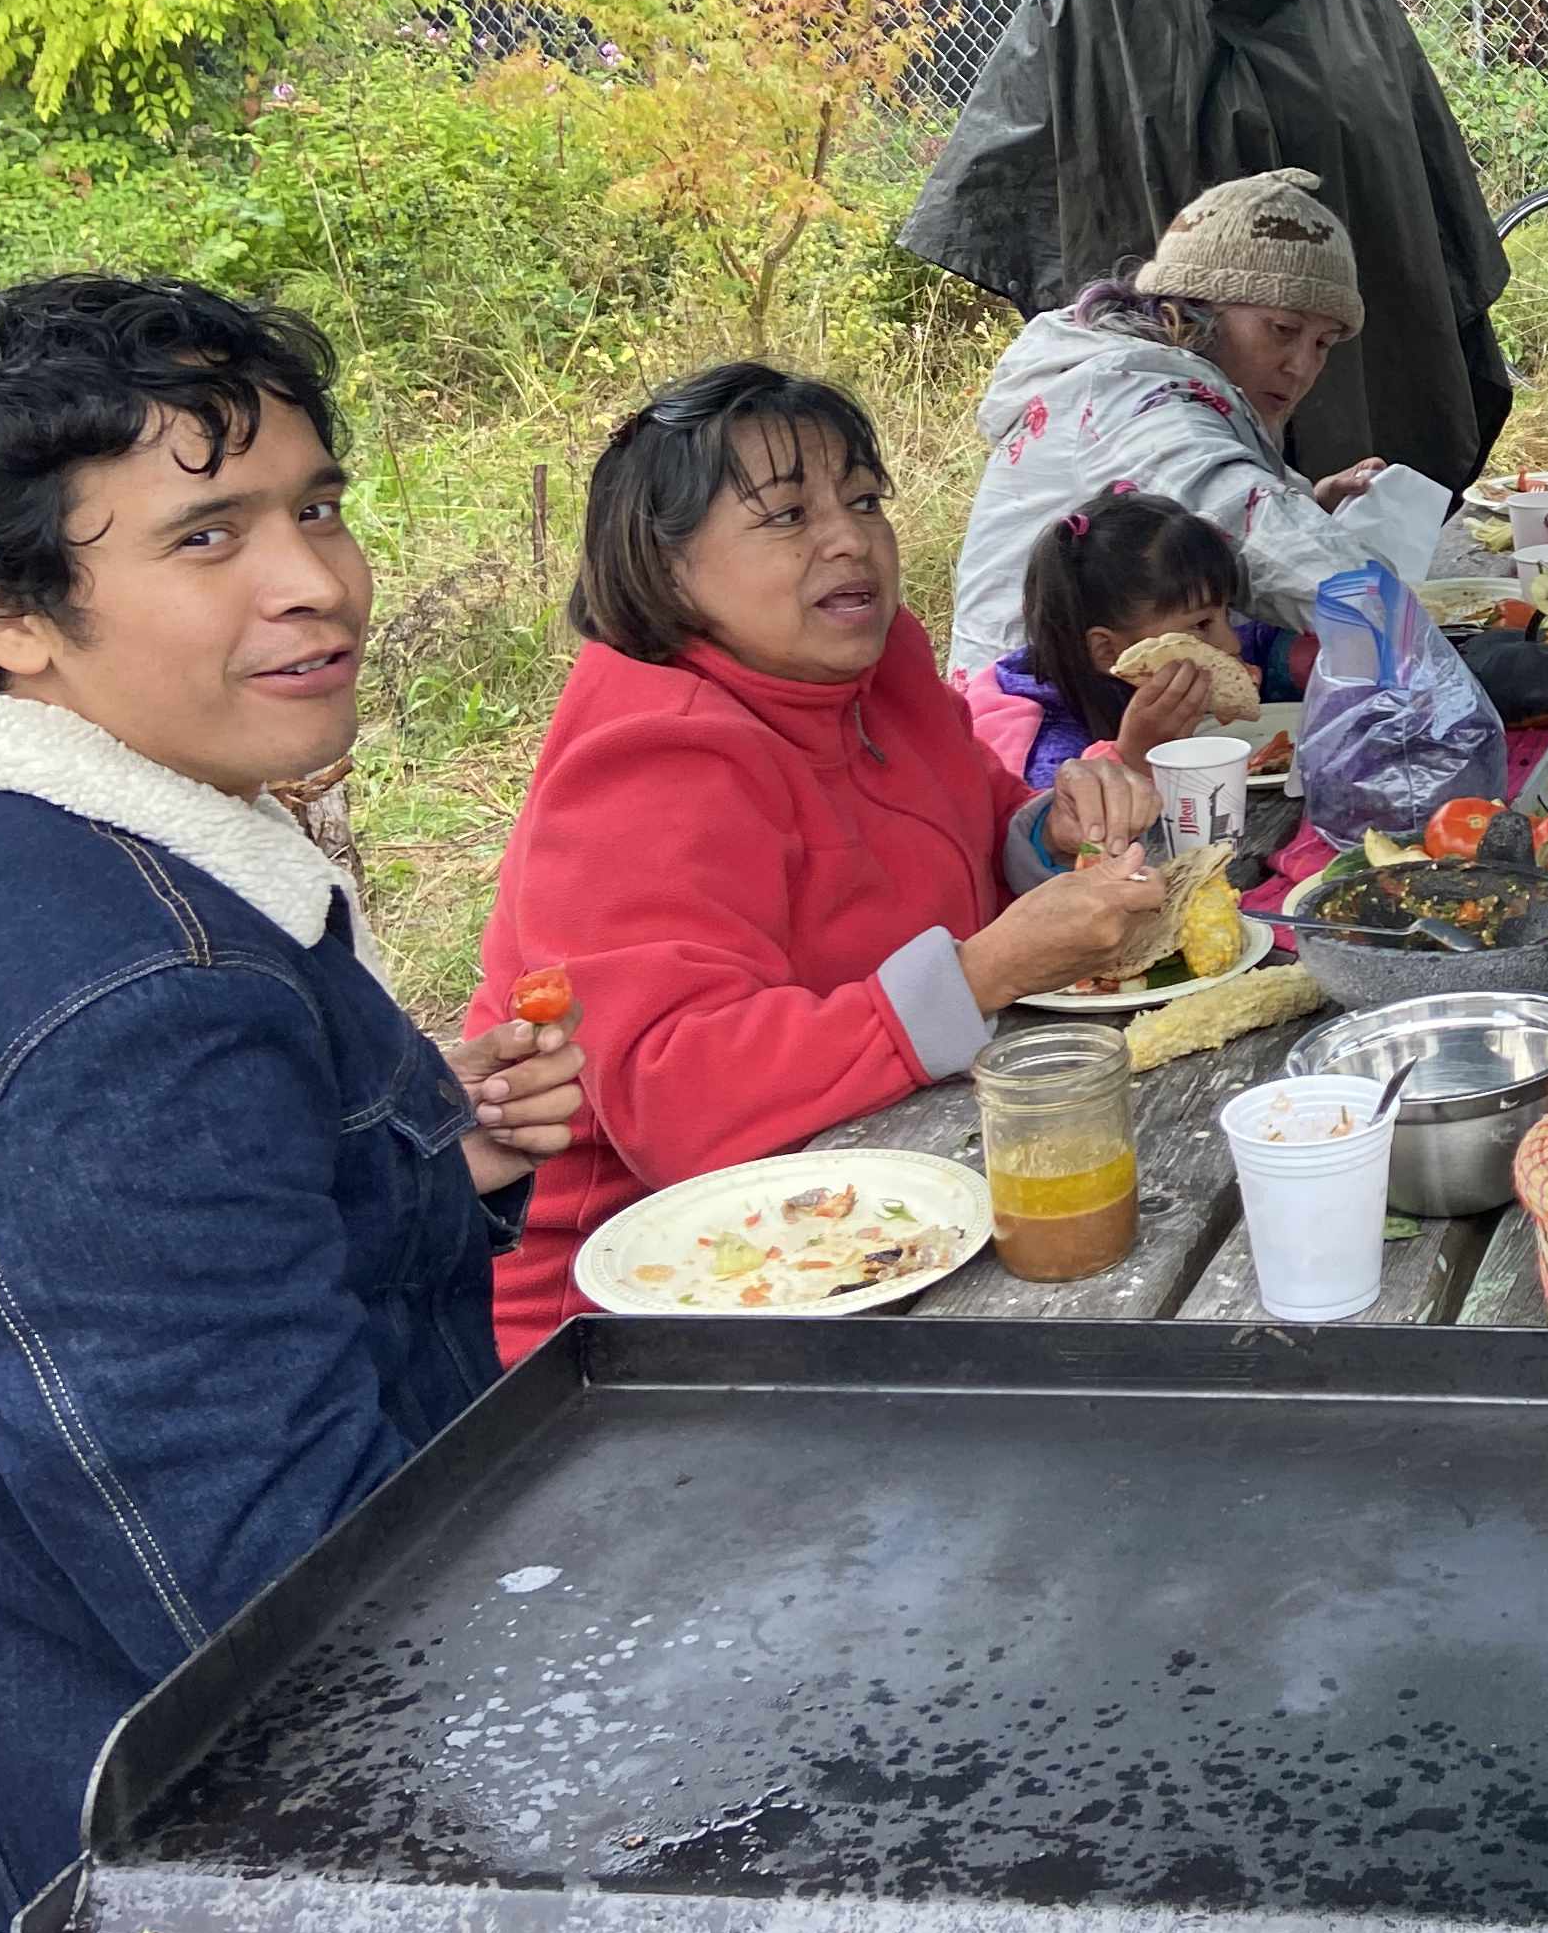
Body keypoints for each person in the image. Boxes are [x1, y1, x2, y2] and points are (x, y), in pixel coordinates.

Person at [0, 277, 587, 1933]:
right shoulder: (126, 1005)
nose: (317, 581)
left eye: (316, 505)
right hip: (130, 1880)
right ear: (7, 606)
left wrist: (422, 1161)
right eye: (208, 533)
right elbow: (286, 1617)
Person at [466, 363, 1164, 1357]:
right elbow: (678, 1097)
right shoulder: (650, 758)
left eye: (865, 499)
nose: (852, 538)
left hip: (880, 1202)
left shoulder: (877, 676)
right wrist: (989, 970)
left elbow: (976, 824)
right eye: (787, 515)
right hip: (650, 1304)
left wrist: (1050, 831)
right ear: (667, 568)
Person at [898, 0, 1511, 493]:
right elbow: (1020, 202)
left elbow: (1425, 179)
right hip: (1186, 388)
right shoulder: (1101, 4)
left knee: (1363, 545)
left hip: (1363, 360)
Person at [947, 168, 1399, 673]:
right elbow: (1240, 518)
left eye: (1323, 344)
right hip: (1029, 720)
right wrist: (1408, 630)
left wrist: (1309, 503)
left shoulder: (1156, 376)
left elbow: (1198, 513)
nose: (1301, 366)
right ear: (1194, 308)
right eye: (1283, 329)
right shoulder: (1127, 394)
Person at [960, 490, 1295, 787]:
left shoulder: (1160, 640)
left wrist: (1299, 655)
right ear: (1108, 650)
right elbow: (1057, 826)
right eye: (1203, 624)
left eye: (1228, 613)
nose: (1231, 644)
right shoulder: (1041, 740)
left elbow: (1258, 645)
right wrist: (1133, 755)